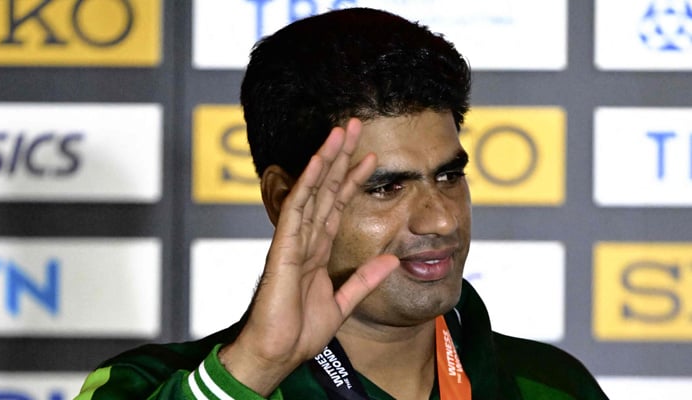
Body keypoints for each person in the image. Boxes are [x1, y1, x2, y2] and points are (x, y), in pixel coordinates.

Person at [77, 7, 608, 400]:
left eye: (449, 175)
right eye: (386, 188)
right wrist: (253, 370)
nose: (442, 217)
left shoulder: (553, 385)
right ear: (285, 199)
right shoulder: (140, 386)